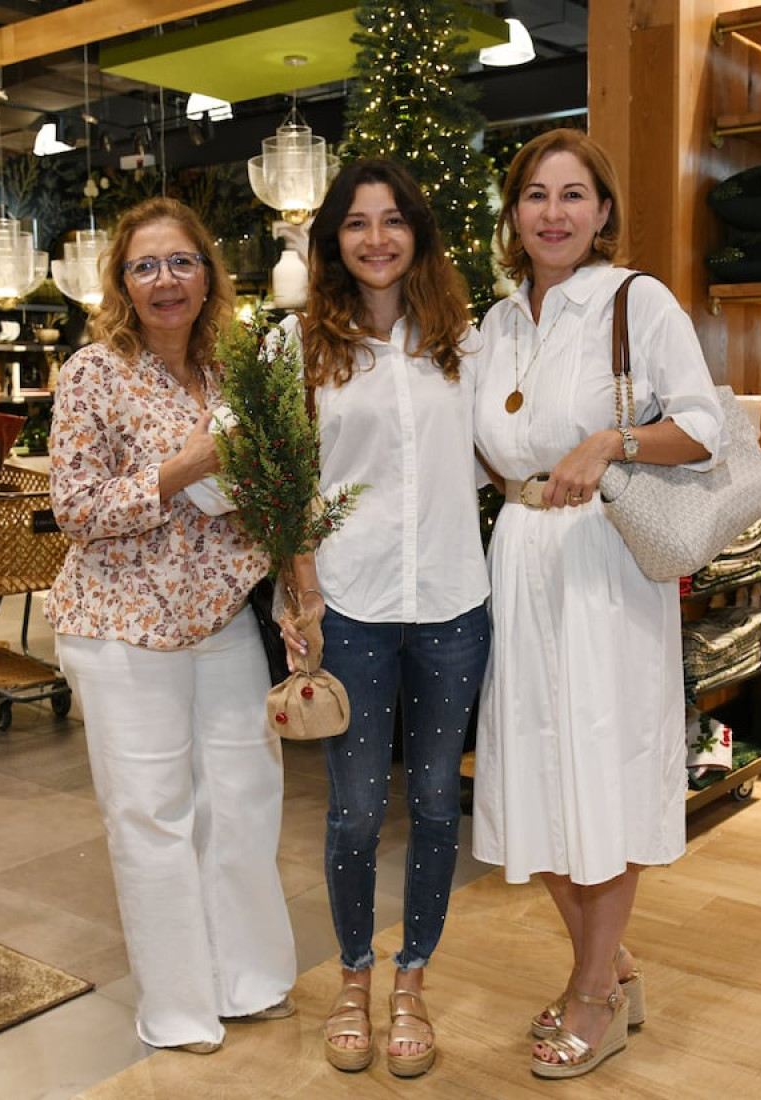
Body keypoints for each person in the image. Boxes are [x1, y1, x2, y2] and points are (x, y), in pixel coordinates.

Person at [471, 128, 726, 1080]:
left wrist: (611, 442)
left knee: (600, 770)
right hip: (521, 555)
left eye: (573, 195)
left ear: (604, 211)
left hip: (605, 560)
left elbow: (701, 426)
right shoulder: (495, 326)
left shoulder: (636, 300)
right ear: (514, 213)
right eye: (536, 195)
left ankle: (591, 994)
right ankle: (609, 965)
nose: (553, 213)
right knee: (533, 768)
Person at [44, 197, 297, 1054]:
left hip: (222, 620)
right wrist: (183, 466)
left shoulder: (233, 370)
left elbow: (267, 496)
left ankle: (250, 980)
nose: (165, 281)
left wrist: (298, 581)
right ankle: (181, 1006)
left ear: (208, 273)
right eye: (145, 266)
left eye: (181, 262)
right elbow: (74, 510)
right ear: (122, 281)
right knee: (152, 816)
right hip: (121, 628)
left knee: (244, 801)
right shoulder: (90, 372)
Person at [279, 158, 490, 1078]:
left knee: (439, 801)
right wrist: (300, 591)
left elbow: (497, 456)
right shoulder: (301, 349)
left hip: (452, 599)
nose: (376, 238)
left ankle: (414, 979)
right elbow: (285, 482)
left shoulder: (465, 342)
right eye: (357, 223)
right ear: (333, 239)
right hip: (351, 604)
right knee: (358, 811)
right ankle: (354, 977)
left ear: (419, 234)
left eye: (394, 219)